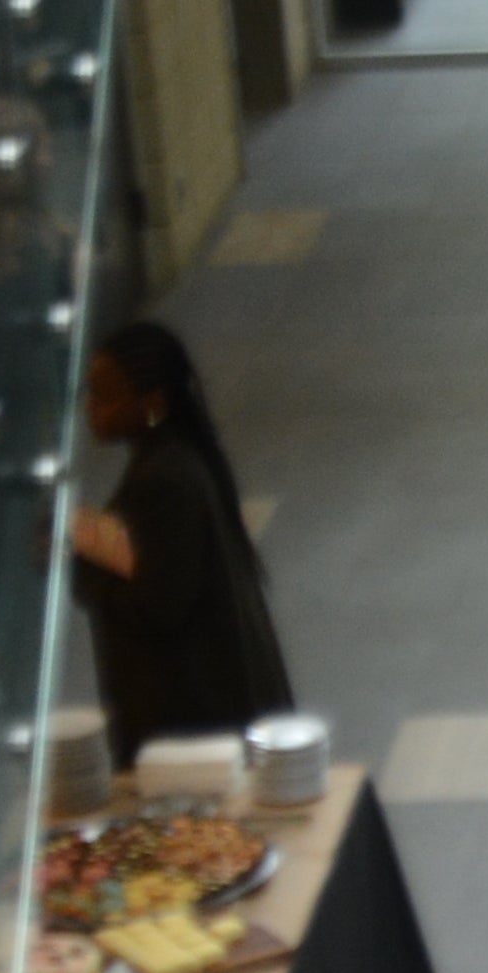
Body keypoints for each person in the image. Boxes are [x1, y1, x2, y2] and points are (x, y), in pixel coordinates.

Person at [61, 320, 291, 752]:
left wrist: (83, 562)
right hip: (212, 705)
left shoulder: (165, 478)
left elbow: (158, 604)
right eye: (89, 393)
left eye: (106, 396)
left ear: (151, 405)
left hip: (196, 718)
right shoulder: (172, 462)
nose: (92, 408)